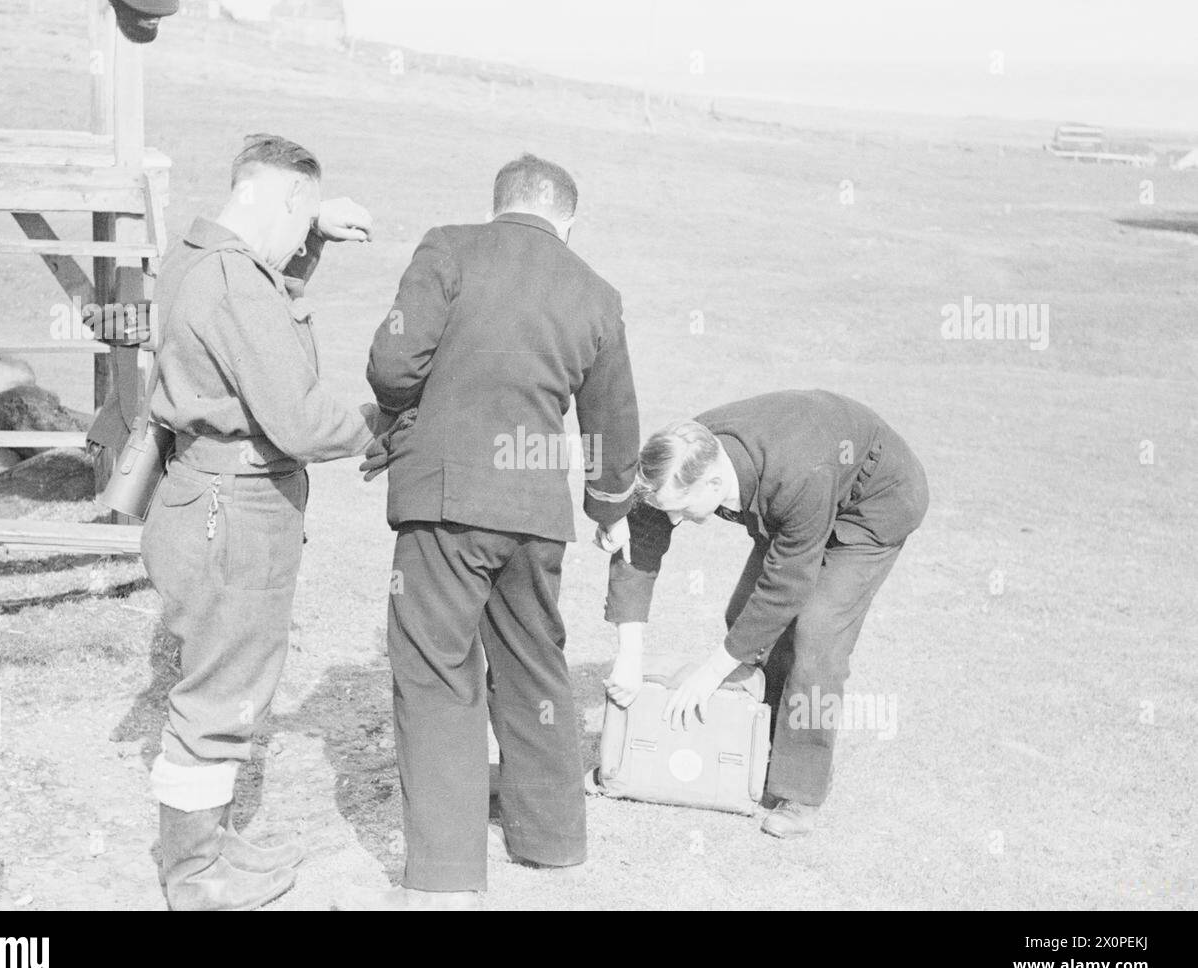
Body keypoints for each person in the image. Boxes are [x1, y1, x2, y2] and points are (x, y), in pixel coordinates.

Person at [340, 154, 640, 909]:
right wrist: (608, 511)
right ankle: (553, 839)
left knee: (439, 672)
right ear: (568, 219)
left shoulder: (449, 247)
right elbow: (613, 424)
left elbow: (392, 364)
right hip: (537, 516)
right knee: (536, 664)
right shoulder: (598, 295)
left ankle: (444, 877)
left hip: (447, 502)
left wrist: (408, 406)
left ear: (499, 202)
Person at [141, 133, 382, 910]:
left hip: (198, 495)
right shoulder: (237, 286)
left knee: (219, 683)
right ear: (281, 197)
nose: (298, 238)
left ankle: (205, 845)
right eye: (301, 217)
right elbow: (302, 420)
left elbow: (253, 314)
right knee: (218, 701)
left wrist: (309, 239)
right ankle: (193, 877)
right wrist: (389, 426)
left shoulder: (190, 253)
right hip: (234, 510)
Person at [600, 390, 929, 838]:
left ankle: (800, 790)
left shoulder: (796, 474)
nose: (673, 518)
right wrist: (629, 655)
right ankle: (762, 744)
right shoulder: (681, 457)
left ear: (715, 485)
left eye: (680, 508)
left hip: (872, 504)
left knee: (816, 639)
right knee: (744, 618)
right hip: (806, 497)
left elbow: (786, 586)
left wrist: (709, 673)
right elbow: (641, 541)